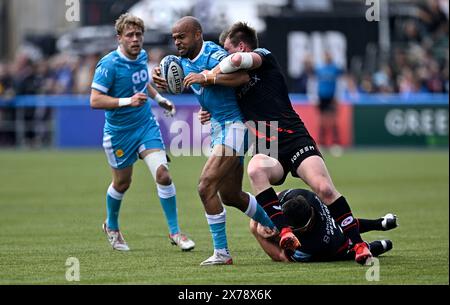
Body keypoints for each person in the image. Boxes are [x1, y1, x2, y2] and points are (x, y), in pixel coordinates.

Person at [195, 22, 373, 265]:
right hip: (267, 143)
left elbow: (236, 62)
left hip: (294, 137)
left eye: (227, 49)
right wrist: (209, 112)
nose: (223, 55)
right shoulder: (232, 82)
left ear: (241, 46)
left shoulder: (263, 56)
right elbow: (225, 108)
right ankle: (285, 232)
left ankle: (360, 245)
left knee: (325, 189)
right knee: (256, 169)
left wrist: (208, 75)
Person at [152, 16, 297, 266]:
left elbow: (242, 77)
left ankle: (222, 253)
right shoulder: (185, 62)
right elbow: (191, 84)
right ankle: (278, 227)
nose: (176, 42)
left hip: (236, 126)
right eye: (174, 38)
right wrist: (165, 84)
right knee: (230, 195)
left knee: (205, 186)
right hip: (220, 127)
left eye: (181, 37)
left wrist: (208, 78)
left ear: (197, 35)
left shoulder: (213, 54)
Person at [90, 13, 195, 252]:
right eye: (130, 35)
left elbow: (142, 82)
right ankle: (112, 226)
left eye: (139, 34)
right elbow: (95, 101)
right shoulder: (108, 65)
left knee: (163, 174)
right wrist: (127, 101)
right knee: (122, 183)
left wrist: (159, 98)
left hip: (145, 125)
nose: (135, 39)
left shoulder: (142, 57)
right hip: (118, 133)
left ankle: (175, 232)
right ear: (119, 38)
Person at [249, 188, 397, 263]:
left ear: (302, 228)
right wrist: (265, 218)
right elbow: (274, 196)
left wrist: (255, 229)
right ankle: (381, 223)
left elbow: (282, 256)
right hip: (334, 222)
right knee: (345, 223)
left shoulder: (310, 245)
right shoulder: (303, 195)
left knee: (346, 253)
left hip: (334, 246)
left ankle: (373, 246)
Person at [315, 51, 344, 152]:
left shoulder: (335, 68)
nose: (327, 57)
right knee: (322, 121)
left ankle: (335, 143)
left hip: (332, 98)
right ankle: (322, 143)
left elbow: (340, 82)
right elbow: (314, 83)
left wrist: (338, 97)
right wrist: (315, 98)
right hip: (322, 98)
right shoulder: (319, 69)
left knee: (333, 121)